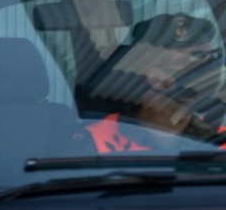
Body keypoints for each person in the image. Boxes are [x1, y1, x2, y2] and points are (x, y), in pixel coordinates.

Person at [85, 12, 226, 152]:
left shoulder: (219, 138)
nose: (212, 67)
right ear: (156, 78)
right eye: (198, 57)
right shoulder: (94, 143)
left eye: (213, 56)